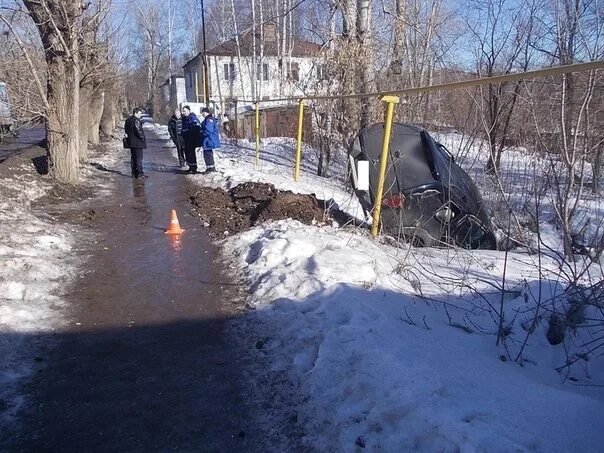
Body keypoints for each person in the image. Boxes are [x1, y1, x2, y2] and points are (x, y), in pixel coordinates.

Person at [124, 107, 147, 179]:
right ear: (135, 113)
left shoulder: (128, 120)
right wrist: (142, 139)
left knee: (133, 158)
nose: (141, 115)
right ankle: (140, 174)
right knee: (139, 159)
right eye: (140, 113)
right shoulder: (136, 121)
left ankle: (134, 173)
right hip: (138, 142)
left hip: (131, 142)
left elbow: (126, 131)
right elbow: (139, 131)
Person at [180, 105, 202, 174]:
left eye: (185, 111)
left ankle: (194, 168)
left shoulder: (192, 118)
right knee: (187, 153)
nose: (183, 112)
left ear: (189, 111)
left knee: (191, 153)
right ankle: (190, 166)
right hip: (186, 139)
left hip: (191, 139)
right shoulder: (184, 119)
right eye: (183, 111)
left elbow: (196, 128)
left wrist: (190, 134)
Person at [200, 107, 220, 174]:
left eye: (203, 112)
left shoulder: (209, 120)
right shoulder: (208, 119)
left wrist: (202, 133)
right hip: (208, 139)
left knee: (208, 153)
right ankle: (210, 168)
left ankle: (211, 168)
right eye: (202, 112)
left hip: (209, 139)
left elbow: (208, 130)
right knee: (207, 153)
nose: (202, 114)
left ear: (207, 112)